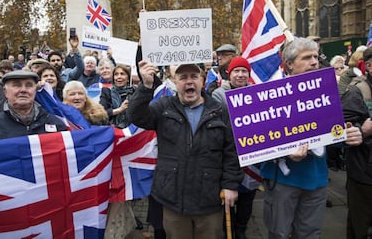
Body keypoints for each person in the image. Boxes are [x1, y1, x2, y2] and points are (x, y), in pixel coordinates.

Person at [260, 38, 363, 239]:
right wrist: (284, 151)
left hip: (316, 180)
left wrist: (352, 132)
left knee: (310, 234)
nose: (315, 62)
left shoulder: (326, 90)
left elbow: (336, 132)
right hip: (283, 181)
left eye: (316, 56)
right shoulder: (268, 96)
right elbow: (256, 144)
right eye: (307, 58)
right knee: (280, 234)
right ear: (289, 64)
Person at [128, 61, 244, 239]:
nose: (189, 81)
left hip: (210, 199)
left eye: (194, 76)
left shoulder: (220, 111)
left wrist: (230, 185)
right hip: (173, 200)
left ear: (202, 81)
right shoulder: (164, 107)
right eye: (183, 77)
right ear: (175, 81)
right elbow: (136, 116)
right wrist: (146, 86)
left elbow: (231, 151)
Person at [212, 57, 259, 239]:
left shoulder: (258, 94)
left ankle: (241, 230)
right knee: (228, 199)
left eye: (244, 71)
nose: (240, 75)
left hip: (252, 156)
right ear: (229, 74)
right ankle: (227, 230)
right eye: (236, 71)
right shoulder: (218, 95)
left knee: (247, 199)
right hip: (228, 155)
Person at [0, 70, 68, 143]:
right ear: (5, 92)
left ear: (35, 90)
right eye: (17, 85)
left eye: (28, 85)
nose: (23, 90)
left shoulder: (55, 124)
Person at [340, 46, 372, 238]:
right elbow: (341, 128)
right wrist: (363, 131)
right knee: (361, 227)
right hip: (365, 175)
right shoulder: (357, 92)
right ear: (368, 66)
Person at [100, 64, 134, 129]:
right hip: (113, 130)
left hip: (132, 131)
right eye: (116, 74)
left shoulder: (135, 92)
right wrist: (119, 110)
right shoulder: (107, 91)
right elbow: (102, 113)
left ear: (128, 78)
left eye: (122, 74)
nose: (119, 77)